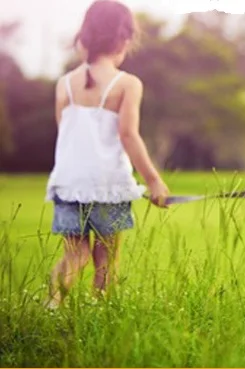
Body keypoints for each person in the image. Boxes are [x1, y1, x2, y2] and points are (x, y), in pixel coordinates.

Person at [45, 0, 169, 308]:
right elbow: (128, 135)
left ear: (84, 39)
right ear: (124, 40)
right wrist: (153, 181)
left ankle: (52, 307)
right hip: (107, 185)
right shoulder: (127, 84)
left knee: (74, 255)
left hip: (69, 183)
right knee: (106, 260)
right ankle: (102, 314)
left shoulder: (65, 84)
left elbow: (65, 133)